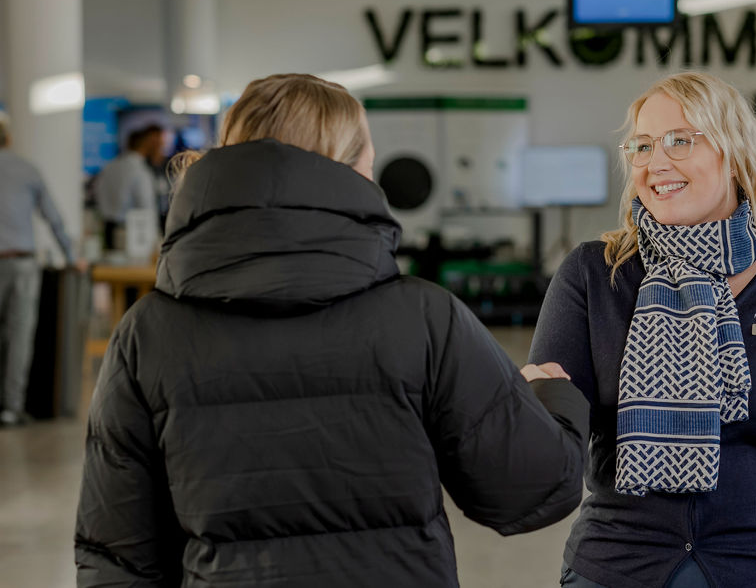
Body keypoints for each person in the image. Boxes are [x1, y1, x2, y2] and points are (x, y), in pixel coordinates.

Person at [74, 74, 588, 586]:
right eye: (368, 161)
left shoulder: (147, 333)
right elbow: (529, 490)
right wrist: (551, 396)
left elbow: (115, 557)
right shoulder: (424, 318)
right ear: (349, 173)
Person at [529, 72, 756, 587]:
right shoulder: (595, 276)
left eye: (680, 140)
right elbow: (551, 459)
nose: (657, 162)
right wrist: (532, 411)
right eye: (642, 146)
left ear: (735, 153)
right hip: (625, 564)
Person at [0, 114, 84, 427]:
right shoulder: (26, 169)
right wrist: (72, 257)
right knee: (18, 335)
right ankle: (11, 407)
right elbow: (54, 218)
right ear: (8, 138)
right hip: (22, 262)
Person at [93, 124, 164, 249]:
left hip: (107, 229)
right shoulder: (140, 171)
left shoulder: (110, 166)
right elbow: (146, 208)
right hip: (131, 233)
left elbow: (97, 193)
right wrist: (155, 239)